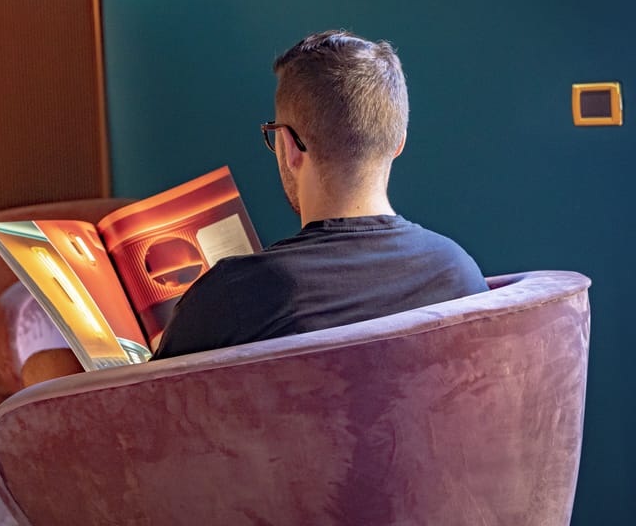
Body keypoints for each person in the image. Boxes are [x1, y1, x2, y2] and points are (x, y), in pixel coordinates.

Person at [152, 30, 487, 359]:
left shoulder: (233, 298)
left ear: (288, 146)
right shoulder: (458, 272)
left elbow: (140, 407)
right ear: (398, 142)